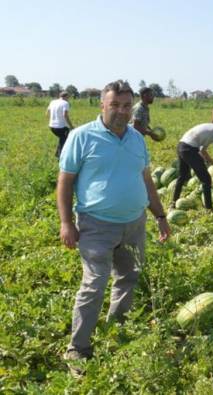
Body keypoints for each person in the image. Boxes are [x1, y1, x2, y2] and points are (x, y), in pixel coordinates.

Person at [57, 80, 170, 376]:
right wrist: (67, 222)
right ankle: (78, 348)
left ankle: (116, 329)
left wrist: (160, 215)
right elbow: (65, 181)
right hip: (96, 225)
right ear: (102, 105)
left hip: (134, 223)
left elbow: (146, 180)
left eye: (125, 105)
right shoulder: (81, 137)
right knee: (94, 284)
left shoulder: (136, 138)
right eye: (114, 105)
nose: (121, 111)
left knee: (128, 277)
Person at [171, 119, 213, 211]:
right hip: (190, 150)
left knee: (182, 176)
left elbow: (202, 151)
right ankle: (209, 209)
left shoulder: (212, 128)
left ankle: (173, 203)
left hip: (181, 146)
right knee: (206, 179)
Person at [47, 91, 75, 158]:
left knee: (62, 138)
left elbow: (47, 113)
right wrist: (71, 126)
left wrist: (52, 120)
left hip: (51, 126)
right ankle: (61, 156)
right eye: (68, 97)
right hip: (61, 127)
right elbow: (65, 115)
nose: (68, 99)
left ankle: (58, 154)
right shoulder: (65, 103)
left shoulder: (53, 102)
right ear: (66, 96)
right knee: (65, 140)